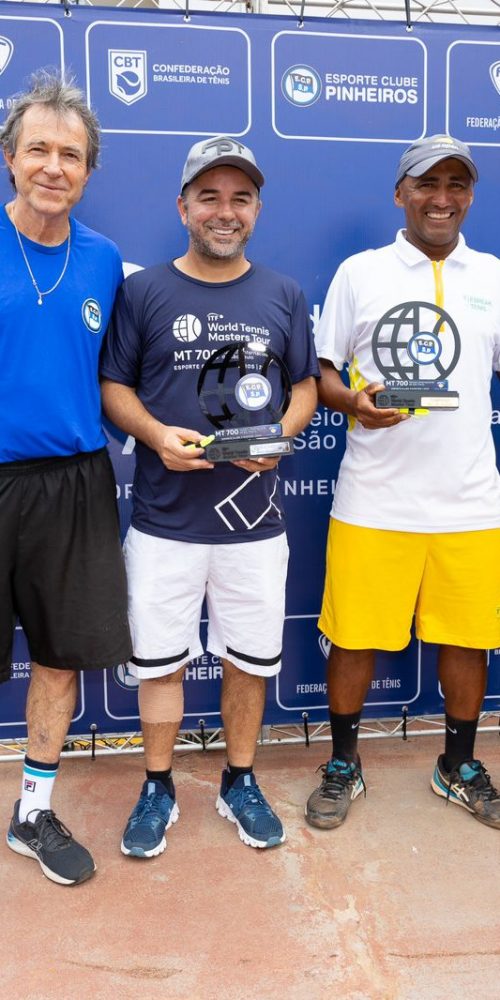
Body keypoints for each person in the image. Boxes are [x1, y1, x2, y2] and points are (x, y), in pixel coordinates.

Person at [101, 135, 318, 857]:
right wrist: (155, 434)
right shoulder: (143, 292)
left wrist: (280, 434)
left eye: (240, 199)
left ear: (257, 210)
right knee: (160, 661)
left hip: (254, 526)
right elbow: (114, 387)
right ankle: (158, 785)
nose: (225, 212)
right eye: (210, 197)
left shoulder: (284, 293)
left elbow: (305, 384)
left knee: (248, 662)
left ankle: (240, 781)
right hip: (164, 522)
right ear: (182, 207)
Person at [306, 134, 500, 832]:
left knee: (467, 639)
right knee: (354, 637)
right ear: (400, 194)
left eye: (456, 184)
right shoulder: (361, 273)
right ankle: (343, 763)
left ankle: (458, 766)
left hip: (470, 502)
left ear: (470, 195)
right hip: (375, 499)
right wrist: (352, 402)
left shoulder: (493, 276)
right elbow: (322, 372)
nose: (441, 198)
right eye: (427, 183)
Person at [1, 72, 132, 885]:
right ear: (10, 159)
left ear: (88, 171)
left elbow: (119, 377)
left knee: (59, 659)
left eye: (71, 155)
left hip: (76, 485)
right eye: (38, 150)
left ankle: (32, 813)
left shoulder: (104, 259)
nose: (54, 166)